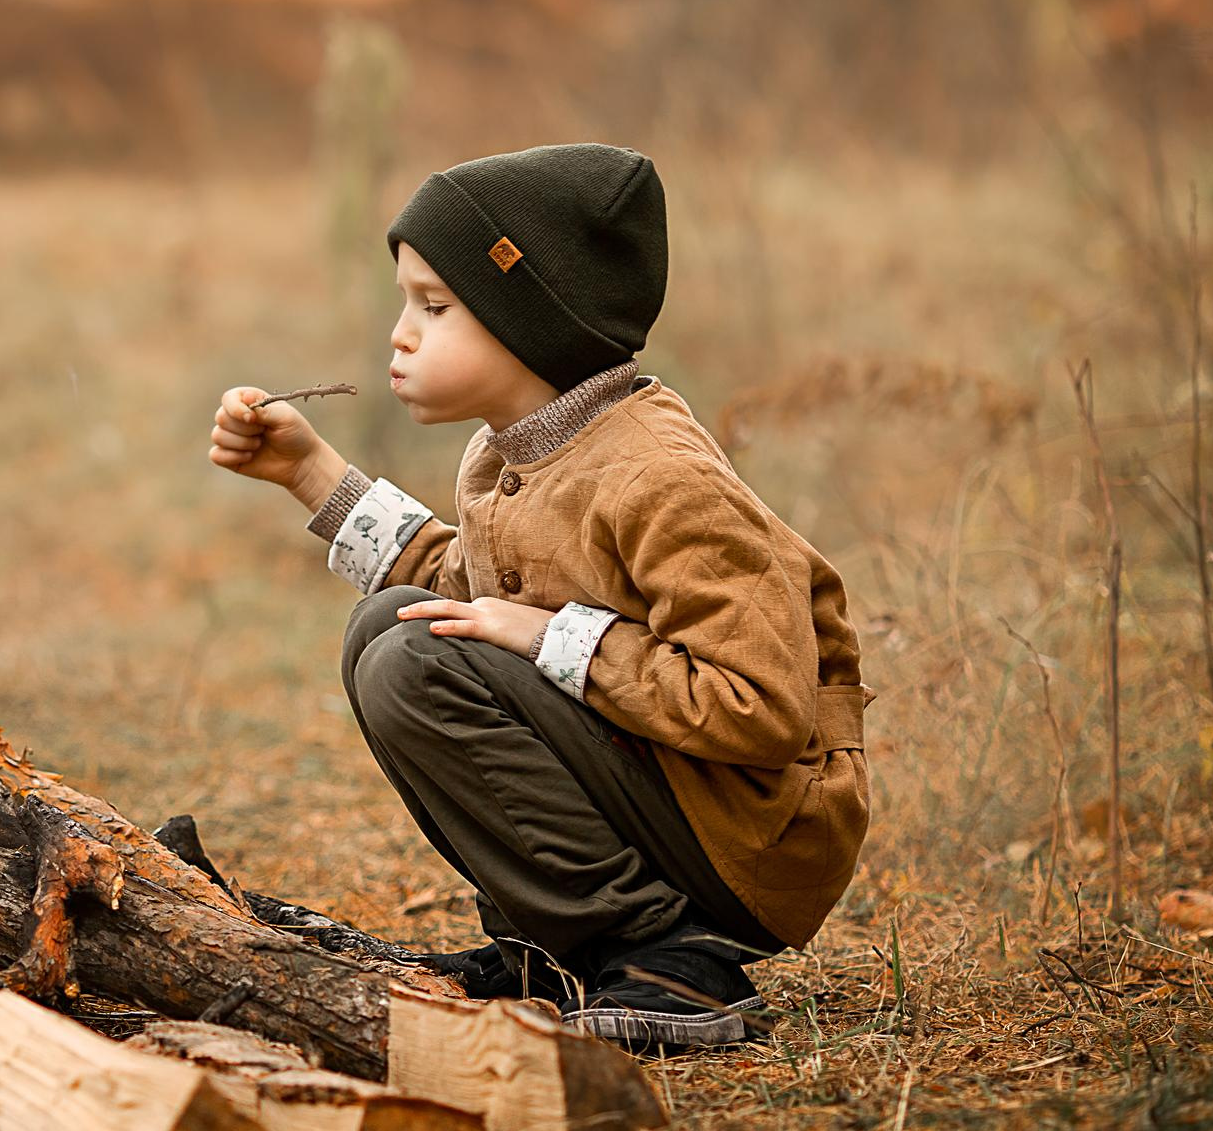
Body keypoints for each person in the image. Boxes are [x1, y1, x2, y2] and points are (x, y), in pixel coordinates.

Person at [210, 143, 873, 1050]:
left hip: (747, 839)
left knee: (412, 660)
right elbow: (467, 598)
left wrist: (553, 635)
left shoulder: (661, 478)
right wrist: (310, 473)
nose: (401, 334)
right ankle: (557, 945)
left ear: (531, 321)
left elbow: (758, 707)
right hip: (668, 799)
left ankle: (665, 952)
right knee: (388, 629)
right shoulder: (514, 450)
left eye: (435, 307)